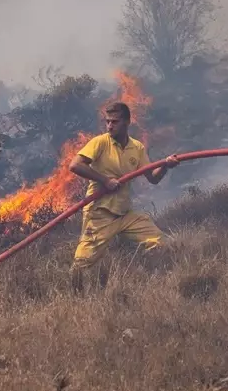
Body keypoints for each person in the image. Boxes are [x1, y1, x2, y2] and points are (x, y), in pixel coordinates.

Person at [67, 101, 179, 292]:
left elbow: (152, 178)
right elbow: (75, 165)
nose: (110, 126)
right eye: (107, 122)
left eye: (115, 122)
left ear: (127, 122)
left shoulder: (137, 148)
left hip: (125, 214)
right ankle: (74, 297)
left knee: (162, 243)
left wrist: (166, 166)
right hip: (100, 213)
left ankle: (164, 284)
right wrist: (105, 180)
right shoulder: (100, 142)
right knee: (82, 263)